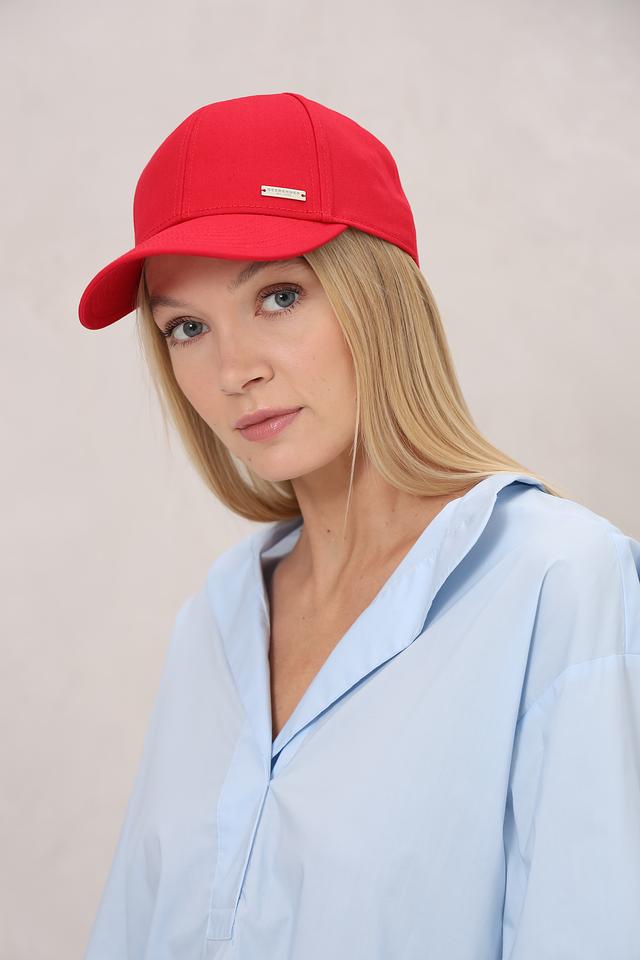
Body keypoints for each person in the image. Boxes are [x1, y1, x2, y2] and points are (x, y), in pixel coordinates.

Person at [77, 92, 640, 960]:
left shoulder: (557, 581)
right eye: (186, 327)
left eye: (278, 296)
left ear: (379, 297)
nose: (233, 370)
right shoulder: (217, 619)